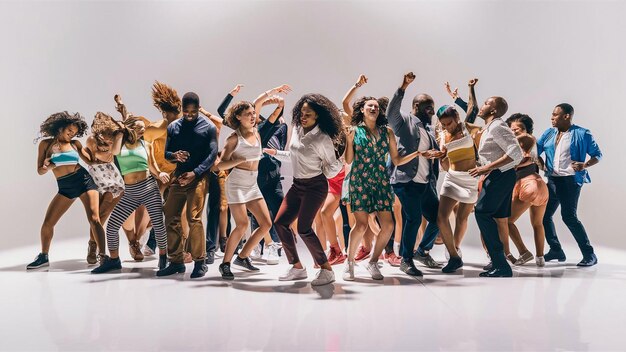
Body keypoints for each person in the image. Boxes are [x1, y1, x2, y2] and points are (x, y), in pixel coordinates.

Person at [342, 81, 422, 280]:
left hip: (381, 182)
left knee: (388, 225)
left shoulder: (387, 132)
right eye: (370, 105)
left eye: (377, 106)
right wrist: (349, 142)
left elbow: (396, 160)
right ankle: (349, 262)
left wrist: (418, 153)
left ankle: (373, 262)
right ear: (362, 109)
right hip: (360, 180)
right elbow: (349, 160)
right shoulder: (354, 130)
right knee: (360, 225)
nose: (374, 108)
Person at [266, 93, 344, 286]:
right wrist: (276, 153)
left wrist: (329, 167)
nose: (303, 116)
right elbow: (294, 155)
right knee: (281, 223)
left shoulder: (322, 138)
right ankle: (297, 267)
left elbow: (333, 167)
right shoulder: (297, 129)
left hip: (315, 186)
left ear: (317, 115)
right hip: (297, 184)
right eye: (302, 112)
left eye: (308, 113)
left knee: (304, 229)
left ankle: (327, 270)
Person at [216, 88, 288, 280]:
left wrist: (280, 105)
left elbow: (273, 116)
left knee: (266, 224)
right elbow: (219, 166)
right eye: (248, 114)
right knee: (242, 224)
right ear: (239, 117)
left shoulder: (257, 133)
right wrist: (238, 162)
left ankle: (243, 257)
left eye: (253, 114)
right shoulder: (233, 139)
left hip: (252, 184)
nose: (252, 116)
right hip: (237, 183)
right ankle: (225, 263)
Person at [91, 114, 171, 274]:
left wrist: (160, 173)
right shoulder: (119, 144)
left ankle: (163, 258)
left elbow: (152, 165)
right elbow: (113, 153)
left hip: (149, 187)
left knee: (158, 223)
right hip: (130, 192)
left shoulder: (145, 144)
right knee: (112, 226)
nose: (143, 131)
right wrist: (120, 133)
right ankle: (114, 260)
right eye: (140, 128)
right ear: (130, 128)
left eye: (144, 129)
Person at [28, 112, 107, 269]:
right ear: (60, 127)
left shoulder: (75, 144)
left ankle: (104, 258)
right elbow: (40, 171)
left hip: (83, 181)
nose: (72, 134)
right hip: (65, 187)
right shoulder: (46, 144)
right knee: (47, 224)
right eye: (69, 131)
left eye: (75, 132)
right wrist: (47, 166)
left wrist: (102, 150)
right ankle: (44, 257)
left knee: (94, 219)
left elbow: (90, 161)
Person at [157, 92, 218, 279]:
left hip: (198, 177)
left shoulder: (209, 127)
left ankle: (200, 262)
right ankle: (176, 261)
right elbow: (167, 153)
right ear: (182, 109)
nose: (190, 114)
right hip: (179, 176)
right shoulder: (173, 126)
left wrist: (195, 173)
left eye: (193, 111)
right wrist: (175, 155)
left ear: (199, 108)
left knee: (193, 218)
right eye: (186, 111)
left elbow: (212, 154)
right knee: (170, 215)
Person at [386, 72, 443, 277]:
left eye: (433, 107)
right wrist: (403, 87)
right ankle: (406, 259)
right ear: (416, 106)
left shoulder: (428, 130)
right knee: (413, 219)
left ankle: (421, 251)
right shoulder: (403, 122)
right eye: (428, 107)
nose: (432, 111)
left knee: (439, 219)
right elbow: (391, 111)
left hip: (425, 183)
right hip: (406, 181)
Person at [536, 103, 602, 266]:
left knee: (569, 217)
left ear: (566, 116)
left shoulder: (582, 133)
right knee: (544, 216)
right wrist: (540, 161)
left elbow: (598, 155)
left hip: (571, 181)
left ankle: (589, 255)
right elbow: (535, 150)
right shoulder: (549, 133)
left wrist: (584, 165)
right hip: (552, 180)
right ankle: (556, 249)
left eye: (555, 115)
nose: (551, 118)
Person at [468, 96, 523, 277]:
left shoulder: (498, 126)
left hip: (500, 175)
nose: (482, 106)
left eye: (486, 103)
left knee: (482, 212)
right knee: (497, 215)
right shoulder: (489, 127)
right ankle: (500, 264)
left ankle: (500, 264)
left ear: (493, 110)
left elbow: (516, 153)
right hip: (499, 175)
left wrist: (487, 167)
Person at [505, 113, 549, 267]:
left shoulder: (526, 142)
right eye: (513, 129)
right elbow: (539, 162)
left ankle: (524, 252)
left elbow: (514, 163)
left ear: (527, 130)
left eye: (520, 129)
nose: (516, 132)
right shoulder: (532, 143)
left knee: (506, 221)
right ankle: (540, 258)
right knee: (538, 223)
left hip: (528, 185)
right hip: (540, 185)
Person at [83, 112, 126, 264]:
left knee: (103, 215)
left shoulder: (115, 137)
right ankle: (93, 245)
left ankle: (93, 245)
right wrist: (108, 150)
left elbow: (114, 153)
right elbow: (99, 156)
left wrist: (120, 133)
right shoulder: (91, 139)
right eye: (107, 133)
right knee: (97, 217)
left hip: (113, 177)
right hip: (97, 177)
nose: (109, 137)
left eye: (112, 134)